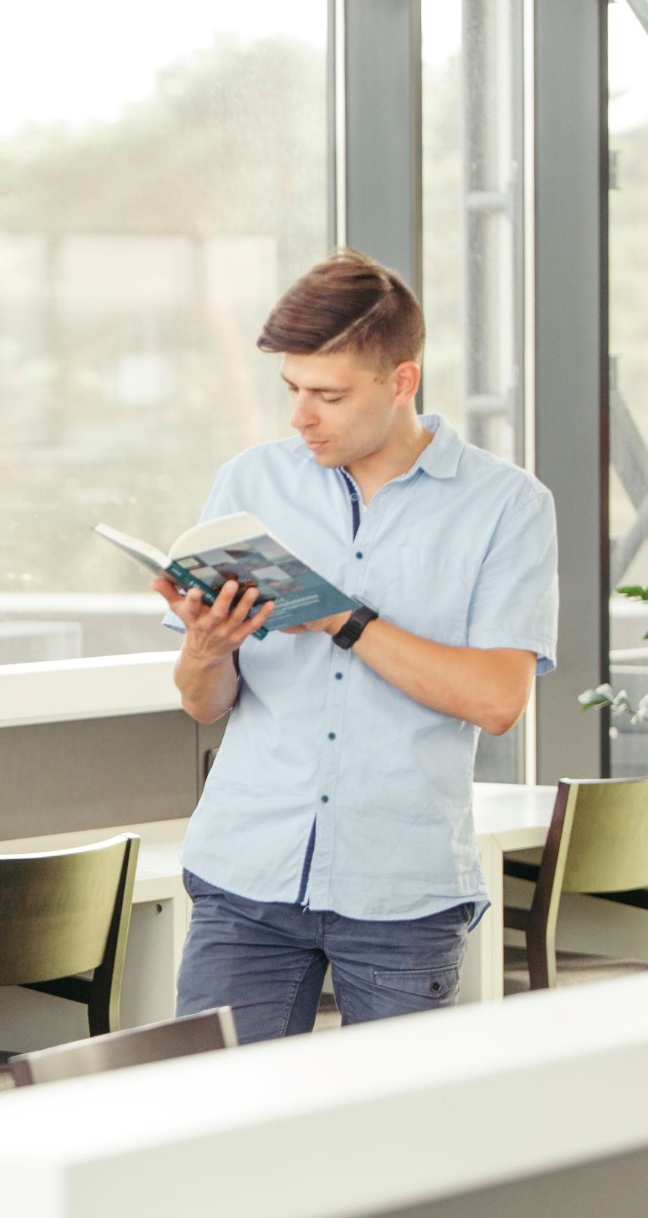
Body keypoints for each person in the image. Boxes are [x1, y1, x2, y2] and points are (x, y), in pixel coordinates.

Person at [157, 249, 558, 1043]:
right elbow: (205, 705)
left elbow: (497, 700)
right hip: (245, 874)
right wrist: (205, 648)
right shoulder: (250, 485)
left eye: (329, 395)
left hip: (401, 890)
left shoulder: (507, 506)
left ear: (402, 381)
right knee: (214, 1107)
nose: (301, 417)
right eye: (293, 389)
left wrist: (342, 618)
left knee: (397, 1117)